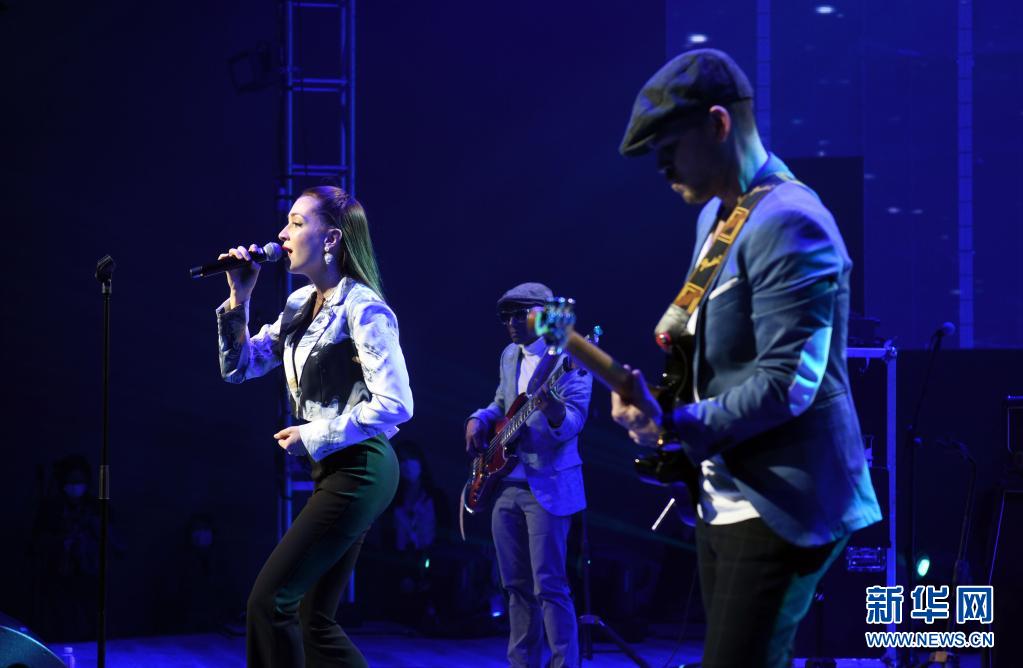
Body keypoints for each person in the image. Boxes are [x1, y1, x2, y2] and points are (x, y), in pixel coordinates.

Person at [610, 49, 881, 667]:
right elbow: (701, 344)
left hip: (784, 501)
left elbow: (788, 383)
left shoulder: (792, 221)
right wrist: (657, 409)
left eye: (668, 147)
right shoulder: (718, 214)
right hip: (723, 496)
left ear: (717, 124)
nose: (661, 167)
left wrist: (677, 424)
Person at [216, 185, 413, 667]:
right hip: (337, 469)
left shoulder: (363, 307)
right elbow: (239, 368)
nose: (282, 234)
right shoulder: (299, 303)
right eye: (286, 222)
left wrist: (313, 434)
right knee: (314, 621)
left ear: (330, 239)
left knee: (269, 603)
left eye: (297, 223)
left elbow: (397, 403)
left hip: (362, 467)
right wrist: (239, 298)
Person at [465, 282, 593, 668]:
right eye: (506, 316)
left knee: (549, 585)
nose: (511, 323)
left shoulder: (570, 356)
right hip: (506, 482)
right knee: (515, 586)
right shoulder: (510, 355)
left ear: (545, 316)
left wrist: (553, 410)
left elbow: (574, 421)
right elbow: (502, 403)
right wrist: (479, 418)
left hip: (548, 485)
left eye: (520, 315)